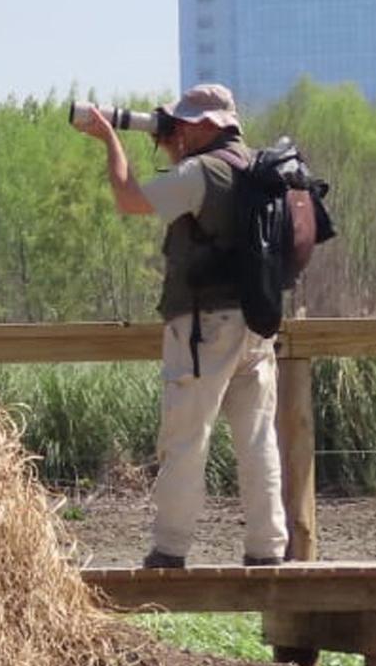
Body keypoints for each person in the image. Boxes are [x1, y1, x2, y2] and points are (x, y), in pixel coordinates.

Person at [74, 84, 288, 569]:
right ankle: (268, 548)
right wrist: (175, 149)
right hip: (258, 322)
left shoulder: (201, 172)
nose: (179, 129)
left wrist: (111, 140)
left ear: (209, 125)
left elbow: (130, 200)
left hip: (202, 327)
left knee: (186, 438)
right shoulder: (257, 168)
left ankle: (170, 549)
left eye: (186, 122)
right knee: (258, 439)